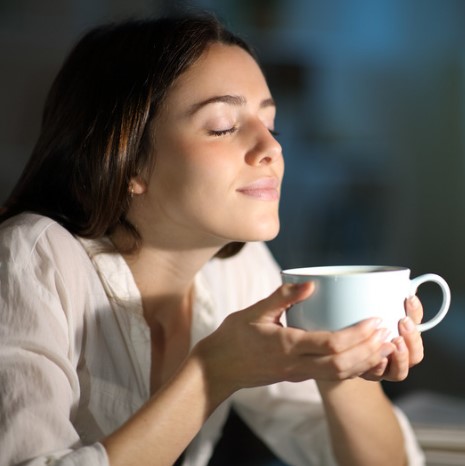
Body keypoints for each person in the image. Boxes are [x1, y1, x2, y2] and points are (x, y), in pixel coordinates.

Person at [0, 12, 425, 466]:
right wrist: (210, 374)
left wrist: (343, 366)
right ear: (129, 161)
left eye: (271, 125)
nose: (273, 149)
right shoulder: (30, 258)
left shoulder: (235, 269)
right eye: (222, 126)